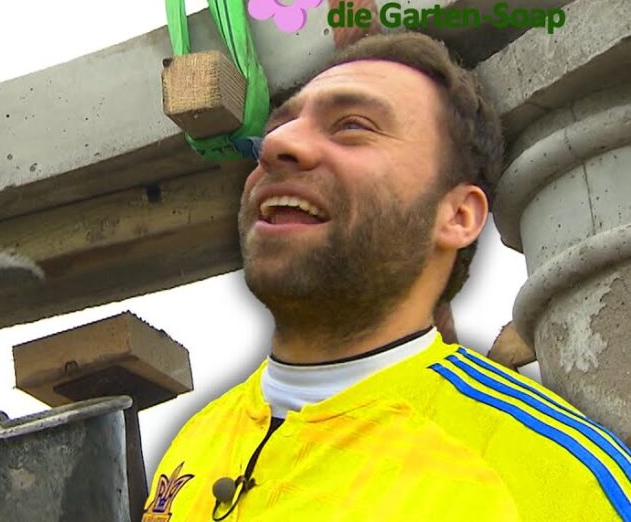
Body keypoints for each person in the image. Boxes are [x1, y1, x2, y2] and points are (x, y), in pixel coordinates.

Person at [145, 32, 631, 521]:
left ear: (458, 215)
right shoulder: (194, 441)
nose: (276, 144)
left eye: (353, 126)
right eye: (280, 127)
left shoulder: (554, 483)